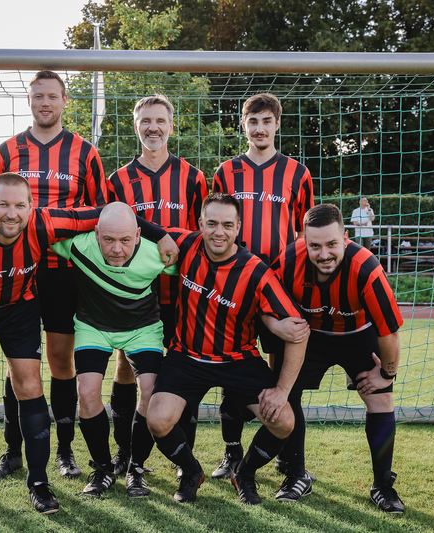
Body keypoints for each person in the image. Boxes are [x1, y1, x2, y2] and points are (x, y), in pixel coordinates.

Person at [0, 173, 174, 514]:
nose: (12, 213)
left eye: (20, 205)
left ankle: (39, 483)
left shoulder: (45, 223)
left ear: (32, 207)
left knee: (29, 384)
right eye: (3, 205)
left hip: (18, 308)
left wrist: (161, 235)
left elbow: (106, 213)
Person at [146, 193, 309, 505]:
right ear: (200, 224)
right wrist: (161, 235)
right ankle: (191, 471)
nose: (218, 232)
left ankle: (244, 474)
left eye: (227, 225)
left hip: (239, 360)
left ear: (238, 228)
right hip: (186, 357)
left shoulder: (256, 271)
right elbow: (136, 224)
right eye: (212, 223)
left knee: (284, 421)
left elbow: (299, 333)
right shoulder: (187, 244)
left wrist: (282, 391)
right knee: (158, 419)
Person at [0, 70, 107, 482]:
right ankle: (12, 451)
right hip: (15, 270)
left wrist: (52, 220)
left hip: (62, 273)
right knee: (16, 364)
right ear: (29, 100)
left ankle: (65, 451)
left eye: (52, 96)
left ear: (64, 101)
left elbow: (100, 211)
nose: (45, 103)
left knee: (59, 360)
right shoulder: (7, 152)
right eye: (38, 96)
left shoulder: (84, 152)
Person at [272, 203, 405, 514]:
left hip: (358, 335)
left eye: (332, 244)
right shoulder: (287, 261)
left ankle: (383, 486)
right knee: (286, 392)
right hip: (310, 336)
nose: (324, 254)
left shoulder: (367, 268)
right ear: (304, 241)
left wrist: (386, 375)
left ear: (345, 238)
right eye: (315, 246)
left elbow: (389, 333)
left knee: (381, 399)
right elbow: (266, 306)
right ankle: (296, 475)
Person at [210, 92, 314, 480]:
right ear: (243, 125)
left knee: (285, 373)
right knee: (230, 366)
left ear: (277, 125)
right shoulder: (226, 172)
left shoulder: (297, 173)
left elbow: (304, 233)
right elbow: (217, 228)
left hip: (281, 289)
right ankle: (231, 453)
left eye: (266, 121)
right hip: (235, 286)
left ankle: (289, 458)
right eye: (253, 121)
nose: (259, 128)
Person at [106, 94, 208, 474]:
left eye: (160, 120)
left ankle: (184, 457)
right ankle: (125, 452)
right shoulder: (117, 181)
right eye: (146, 121)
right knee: (125, 367)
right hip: (134, 293)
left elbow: (203, 237)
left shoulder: (193, 178)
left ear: (171, 126)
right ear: (136, 127)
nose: (153, 127)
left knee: (188, 368)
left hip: (182, 293)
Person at [49, 202, 178, 498]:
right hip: (93, 326)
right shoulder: (78, 245)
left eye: (125, 240)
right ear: (96, 233)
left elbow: (204, 259)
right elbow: (33, 228)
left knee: (151, 392)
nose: (116, 249)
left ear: (138, 235)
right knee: (87, 393)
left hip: (142, 329)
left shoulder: (159, 252)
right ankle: (103, 468)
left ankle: (136, 468)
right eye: (108, 239)